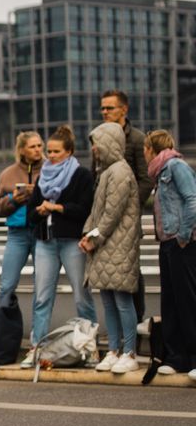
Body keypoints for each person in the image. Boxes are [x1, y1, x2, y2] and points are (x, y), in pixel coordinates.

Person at [24, 125, 97, 364]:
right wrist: (40, 209)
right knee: (42, 296)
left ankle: (89, 346)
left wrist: (56, 207)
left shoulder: (81, 176)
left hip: (72, 242)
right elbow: (30, 214)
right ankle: (37, 347)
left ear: (69, 152)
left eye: (56, 152)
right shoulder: (42, 175)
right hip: (46, 241)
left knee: (81, 295)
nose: (51, 156)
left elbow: (84, 209)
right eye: (50, 151)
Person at [80, 122, 143, 375]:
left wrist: (93, 238)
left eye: (97, 142)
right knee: (108, 299)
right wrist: (88, 235)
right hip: (107, 245)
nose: (94, 148)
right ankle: (114, 349)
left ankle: (129, 352)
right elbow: (97, 213)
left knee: (122, 300)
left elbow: (111, 214)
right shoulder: (107, 171)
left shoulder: (119, 172)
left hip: (118, 245)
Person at [144, 129, 196, 379]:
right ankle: (177, 358)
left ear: (150, 149)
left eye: (144, 149)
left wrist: (184, 236)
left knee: (188, 301)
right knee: (171, 301)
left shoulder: (176, 166)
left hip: (180, 242)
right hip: (167, 243)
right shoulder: (160, 172)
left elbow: (192, 199)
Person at [97, 90, 151, 320]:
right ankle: (117, 333)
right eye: (102, 108)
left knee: (130, 272)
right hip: (104, 218)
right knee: (108, 272)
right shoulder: (101, 136)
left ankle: (136, 324)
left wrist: (129, 207)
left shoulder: (137, 139)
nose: (104, 112)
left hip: (127, 219)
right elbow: (96, 176)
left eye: (109, 108)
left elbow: (146, 179)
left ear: (124, 110)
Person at [0, 131, 44, 323]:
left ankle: (37, 337)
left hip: (42, 233)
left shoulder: (50, 169)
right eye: (32, 146)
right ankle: (2, 334)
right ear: (22, 150)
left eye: (40, 145)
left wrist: (38, 196)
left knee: (41, 287)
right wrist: (14, 199)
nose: (38, 150)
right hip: (17, 234)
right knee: (7, 285)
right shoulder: (8, 174)